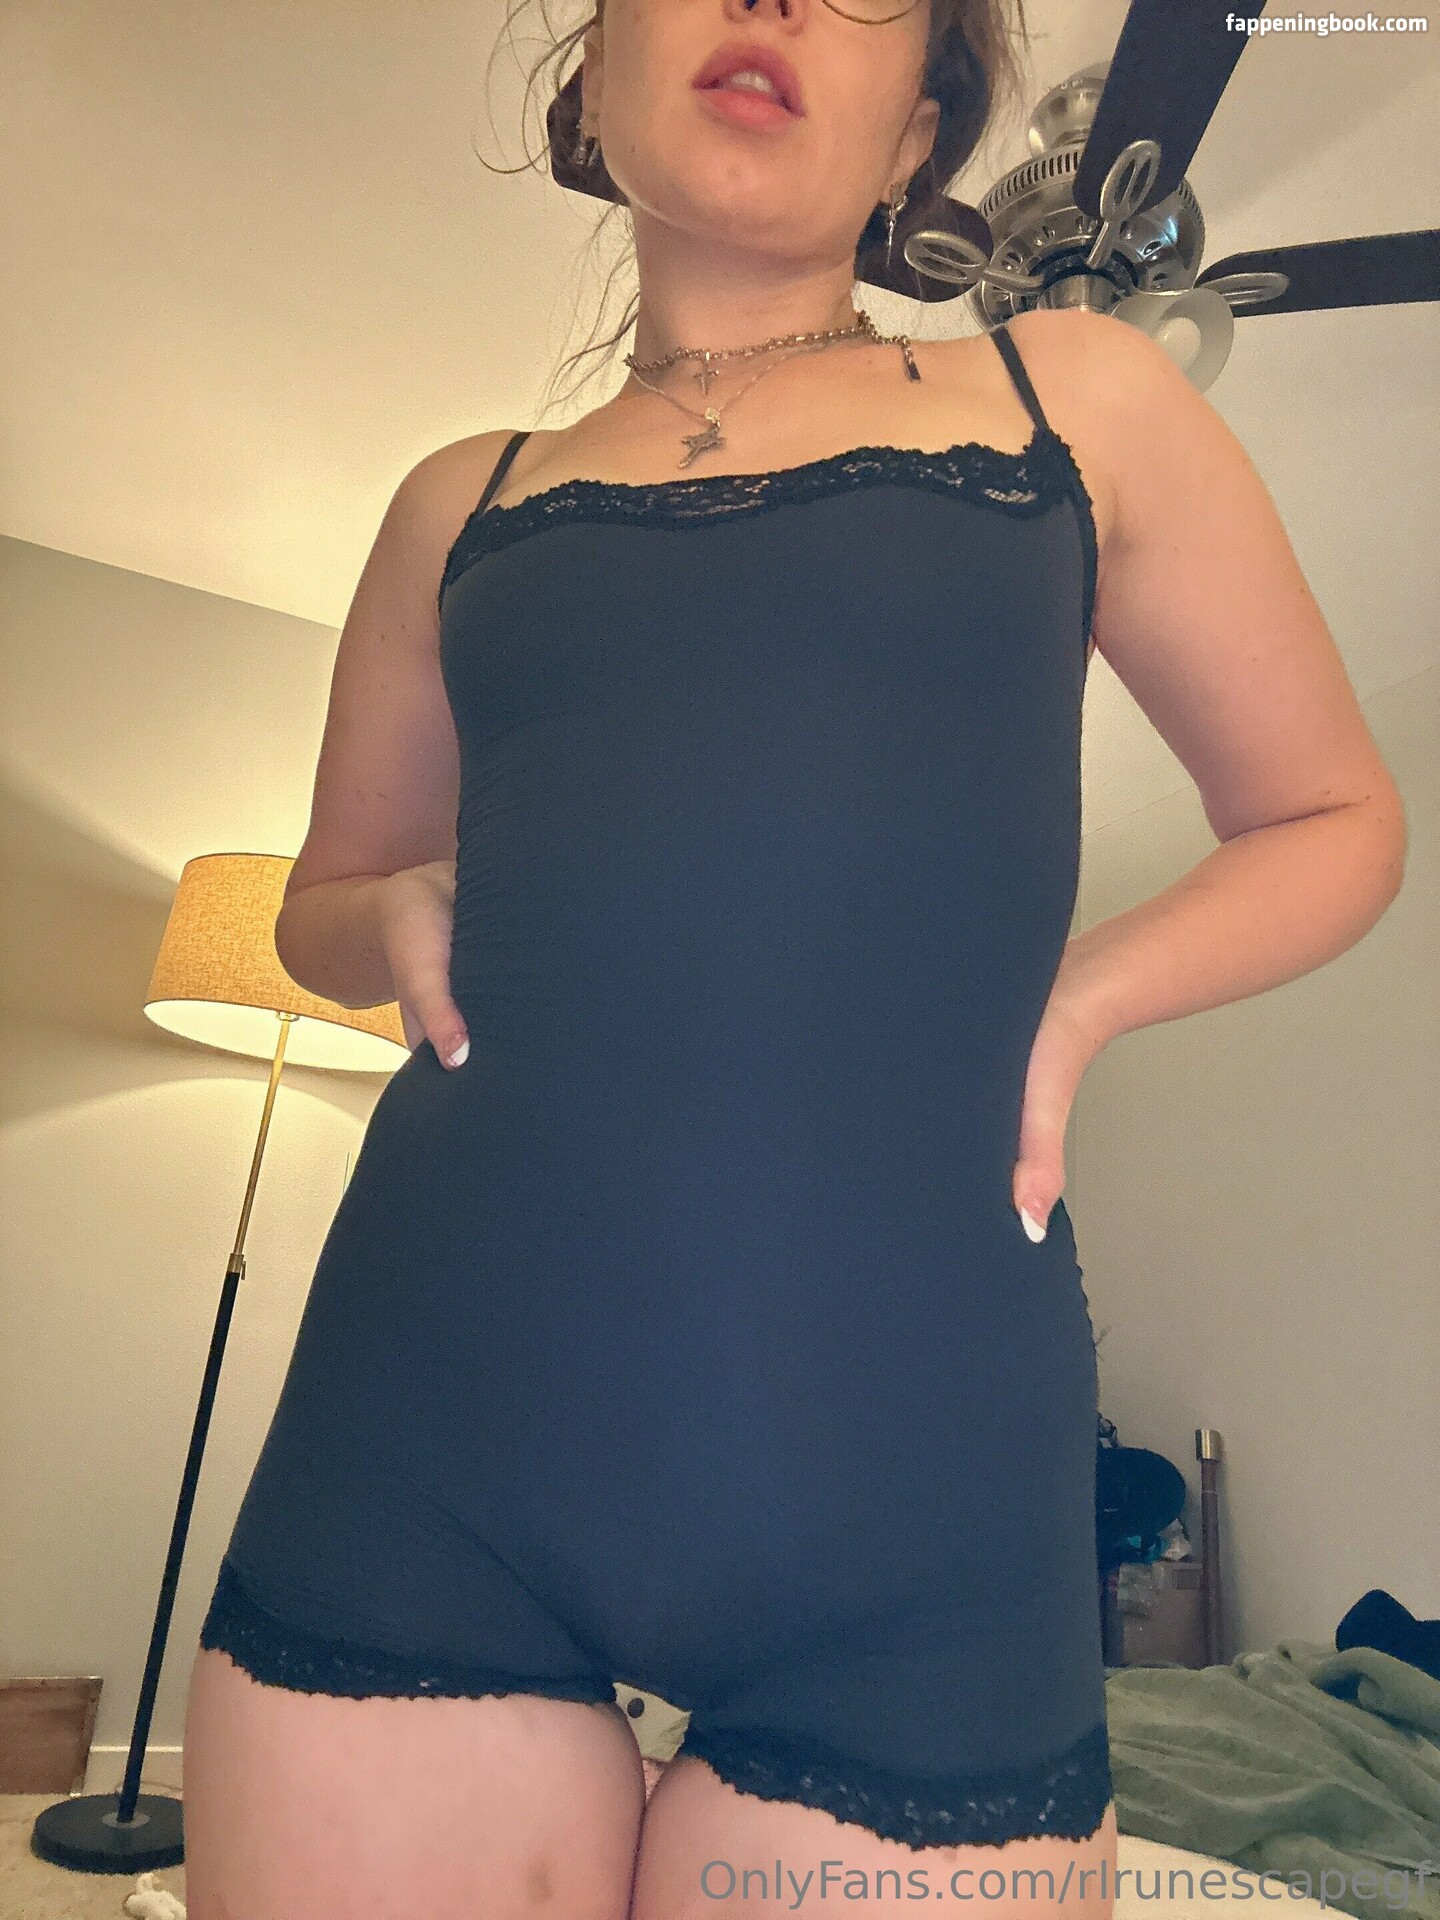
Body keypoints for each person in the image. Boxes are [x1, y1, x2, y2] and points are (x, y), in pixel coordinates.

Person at [179, 1, 1407, 1915]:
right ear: (594, 72)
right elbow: (317, 901)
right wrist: (395, 907)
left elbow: (1335, 817)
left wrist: (1083, 997)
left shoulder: (1071, 398)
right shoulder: (459, 498)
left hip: (919, 1481)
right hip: (431, 1432)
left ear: (917, 135)